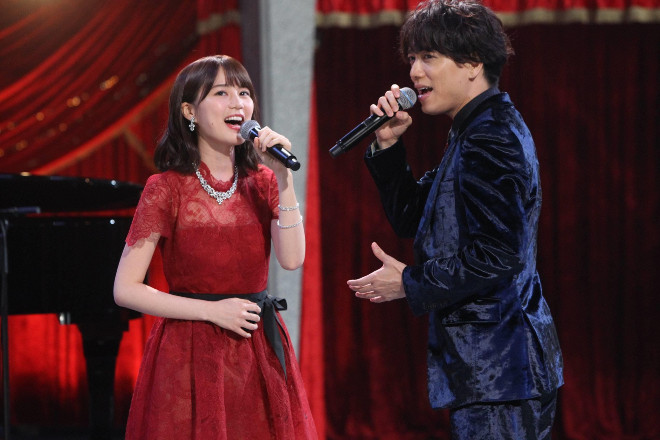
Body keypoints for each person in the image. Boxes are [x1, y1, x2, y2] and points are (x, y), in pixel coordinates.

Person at [346, 1, 564, 439]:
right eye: (412, 58)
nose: (414, 72)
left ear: (473, 63)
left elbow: (498, 254)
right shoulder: (475, 130)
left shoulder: (491, 136)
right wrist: (387, 146)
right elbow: (413, 216)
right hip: (492, 371)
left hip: (501, 369)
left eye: (429, 56)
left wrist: (409, 282)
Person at [114, 55, 317, 439]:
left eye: (244, 93)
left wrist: (285, 178)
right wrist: (212, 312)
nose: (238, 103)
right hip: (189, 350)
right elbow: (125, 289)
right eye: (222, 93)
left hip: (256, 347)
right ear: (189, 111)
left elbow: (292, 259)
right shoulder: (165, 188)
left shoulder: (265, 181)